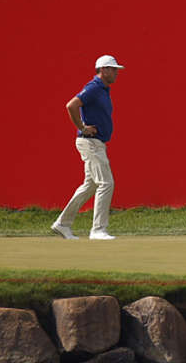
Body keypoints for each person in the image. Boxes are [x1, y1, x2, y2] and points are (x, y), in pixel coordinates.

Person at [52, 55, 123, 241]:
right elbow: (71, 105)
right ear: (104, 70)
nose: (116, 73)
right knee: (106, 183)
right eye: (113, 69)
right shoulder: (94, 87)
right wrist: (82, 127)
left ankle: (62, 224)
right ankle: (98, 230)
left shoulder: (103, 90)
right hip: (90, 143)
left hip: (97, 143)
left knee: (90, 185)